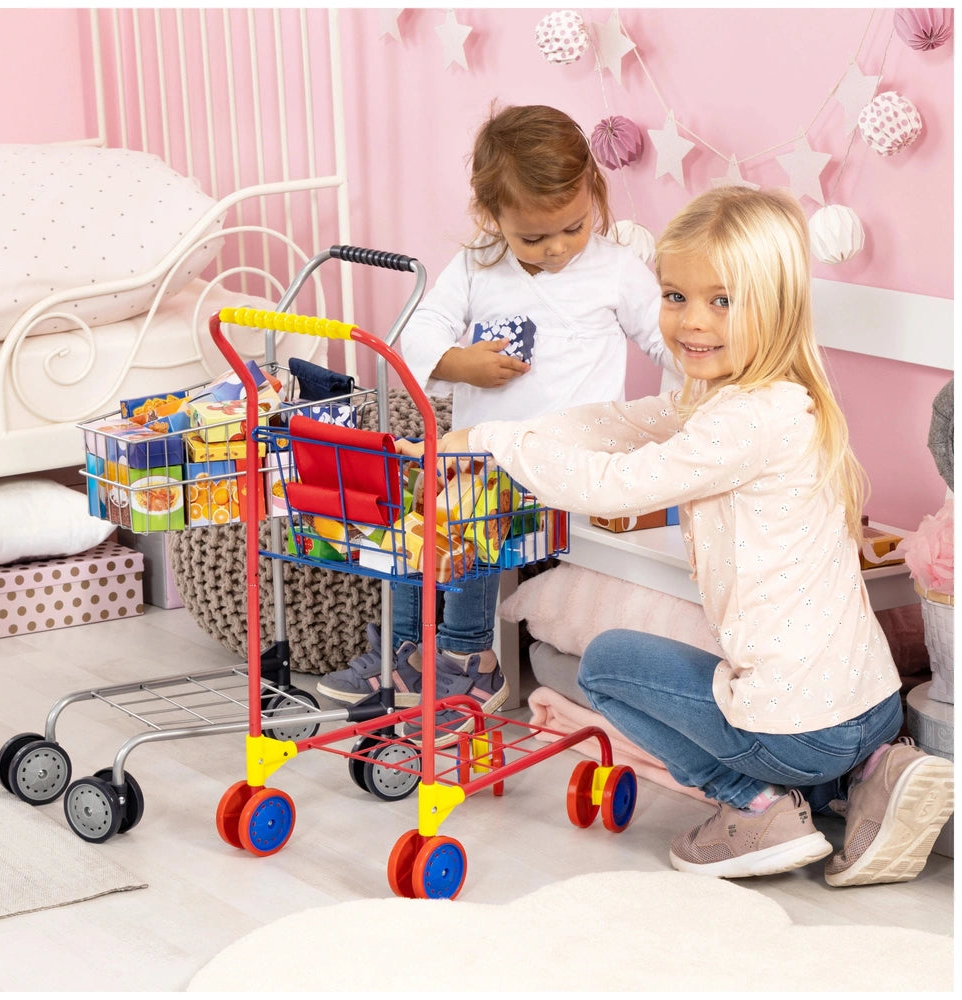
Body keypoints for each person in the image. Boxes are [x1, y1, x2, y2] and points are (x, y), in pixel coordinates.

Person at [405, 186, 955, 884]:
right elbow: (621, 422)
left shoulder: (741, 422)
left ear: (777, 306)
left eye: (722, 301)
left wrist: (499, 445)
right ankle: (870, 774)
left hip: (804, 729)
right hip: (873, 704)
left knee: (605, 665)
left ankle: (754, 805)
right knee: (752, 690)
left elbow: (612, 484)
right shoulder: (771, 403)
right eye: (675, 296)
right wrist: (492, 438)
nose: (693, 321)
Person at [318, 104, 673, 743]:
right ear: (492, 215)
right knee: (415, 507)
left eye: (572, 227)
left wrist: (703, 395)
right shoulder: (477, 265)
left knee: (468, 510)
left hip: (570, 459)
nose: (557, 248)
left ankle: (468, 658)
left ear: (594, 195)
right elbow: (420, 329)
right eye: (533, 238)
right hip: (481, 454)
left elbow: (664, 339)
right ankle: (406, 650)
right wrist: (459, 364)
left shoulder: (615, 269)